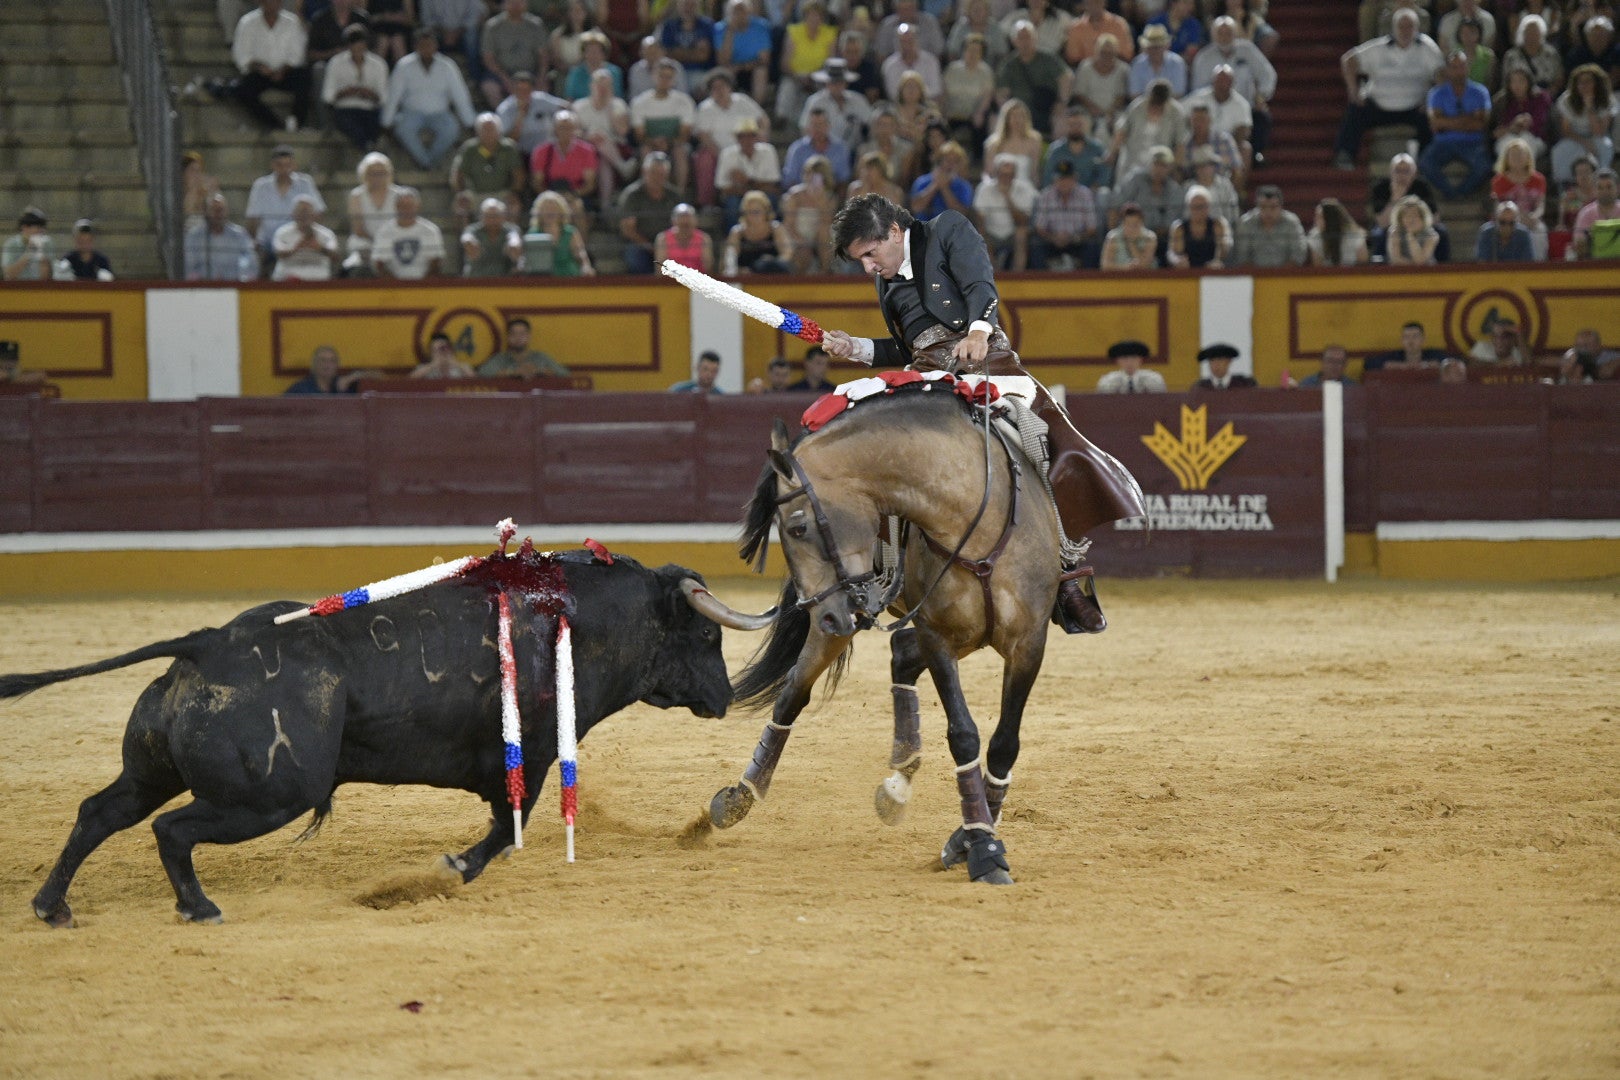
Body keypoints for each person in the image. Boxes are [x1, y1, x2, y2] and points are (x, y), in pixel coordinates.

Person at [822, 193, 1147, 634]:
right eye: (860, 259)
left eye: (870, 254)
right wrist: (856, 347)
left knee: (1048, 438)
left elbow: (980, 286)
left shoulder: (947, 229)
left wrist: (978, 330)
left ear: (894, 232)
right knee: (877, 454)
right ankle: (877, 579)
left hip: (987, 363)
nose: (867, 267)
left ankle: (1067, 575)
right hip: (925, 379)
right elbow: (906, 345)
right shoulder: (886, 276)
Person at [1332, 9, 1443, 169]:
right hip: (1379, 106)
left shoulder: (1427, 47)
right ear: (1394, 28)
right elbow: (1348, 60)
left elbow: (1441, 74)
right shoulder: (1379, 47)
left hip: (1414, 107)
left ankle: (1426, 161)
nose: (1405, 31)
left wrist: (1431, 99)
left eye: (1410, 26)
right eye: (1401, 26)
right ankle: (1345, 155)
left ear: (1417, 28)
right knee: (1355, 109)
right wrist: (1353, 90)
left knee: (1430, 116)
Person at [383, 30, 478, 170]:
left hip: (440, 113)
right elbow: (394, 95)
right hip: (411, 113)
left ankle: (429, 161)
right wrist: (386, 121)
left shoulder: (447, 66)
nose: (426, 48)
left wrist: (470, 122)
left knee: (452, 129)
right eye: (423, 45)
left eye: (430, 45)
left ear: (436, 46)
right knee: (403, 129)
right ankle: (425, 162)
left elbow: (460, 95)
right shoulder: (404, 65)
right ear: (416, 46)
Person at [225, 0, 313, 131]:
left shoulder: (292, 22)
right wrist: (259, 67)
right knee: (243, 90)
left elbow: (298, 54)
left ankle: (296, 122)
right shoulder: (247, 22)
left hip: (287, 72)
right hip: (260, 73)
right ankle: (274, 125)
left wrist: (283, 69)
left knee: (305, 79)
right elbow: (241, 54)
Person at [1418, 51, 1493, 200]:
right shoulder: (1436, 93)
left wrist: (1448, 122)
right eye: (1454, 67)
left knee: (1484, 165)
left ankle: (1461, 193)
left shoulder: (1480, 92)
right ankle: (1452, 194)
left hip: (1473, 142)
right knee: (1425, 163)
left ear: (1468, 68)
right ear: (1447, 70)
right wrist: (1468, 119)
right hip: (1443, 143)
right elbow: (1435, 123)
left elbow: (1480, 125)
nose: (1458, 71)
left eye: (1462, 66)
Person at [245, 145, 325, 270]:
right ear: (272, 165)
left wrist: (308, 237)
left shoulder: (305, 183)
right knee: (254, 255)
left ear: (294, 165)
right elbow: (253, 219)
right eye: (279, 165)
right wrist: (253, 241)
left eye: (288, 165)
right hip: (267, 242)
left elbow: (318, 213)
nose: (284, 169)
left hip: (297, 238)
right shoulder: (261, 186)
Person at [995, 20, 1071, 141]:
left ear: (1035, 39)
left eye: (1028, 37)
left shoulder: (1048, 58)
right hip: (1020, 111)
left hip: (1048, 108)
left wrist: (1062, 102)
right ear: (1014, 41)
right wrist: (1009, 112)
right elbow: (1002, 94)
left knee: (1062, 121)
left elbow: (1065, 78)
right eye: (1021, 38)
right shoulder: (1008, 65)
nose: (1025, 42)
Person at [323, 25, 390, 152]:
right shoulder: (336, 63)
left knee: (375, 124)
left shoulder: (379, 64)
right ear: (348, 46)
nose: (358, 49)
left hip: (369, 109)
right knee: (350, 125)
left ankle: (369, 149)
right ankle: (368, 149)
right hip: (345, 109)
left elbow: (384, 97)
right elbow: (328, 95)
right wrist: (345, 93)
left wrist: (370, 94)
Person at [452, 113, 528, 224]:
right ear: (477, 132)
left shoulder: (508, 148)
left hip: (502, 193)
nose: (488, 133)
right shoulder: (470, 149)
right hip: (475, 194)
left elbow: (518, 175)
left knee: (514, 205)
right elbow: (458, 174)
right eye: (485, 130)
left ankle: (512, 234)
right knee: (460, 207)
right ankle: (465, 237)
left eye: (492, 129)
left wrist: (514, 192)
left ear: (499, 131)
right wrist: (461, 193)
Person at [1029, 160, 1100, 271]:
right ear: (1054, 180)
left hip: (1078, 240)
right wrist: (1054, 238)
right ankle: (1041, 284)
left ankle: (1087, 284)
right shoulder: (1046, 195)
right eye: (1061, 179)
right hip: (1052, 240)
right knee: (1036, 246)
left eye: (1068, 179)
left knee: (1092, 247)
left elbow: (1092, 227)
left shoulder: (1085, 194)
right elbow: (1040, 227)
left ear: (1074, 179)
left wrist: (1073, 237)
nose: (1064, 182)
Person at [618, 150, 681, 274]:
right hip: (640, 244)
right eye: (653, 173)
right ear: (644, 172)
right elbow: (628, 230)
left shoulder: (674, 196)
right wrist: (651, 247)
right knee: (635, 259)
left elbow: (679, 225)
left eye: (662, 174)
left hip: (668, 244)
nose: (658, 178)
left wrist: (664, 245)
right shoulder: (632, 195)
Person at [1550, 64, 1615, 184]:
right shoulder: (1567, 100)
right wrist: (1585, 143)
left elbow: (1599, 132)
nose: (1584, 86)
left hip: (1597, 137)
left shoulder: (1607, 100)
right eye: (1580, 82)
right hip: (1574, 137)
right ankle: (1565, 185)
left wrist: (1590, 106)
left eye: (1588, 82)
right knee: (1560, 150)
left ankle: (1600, 182)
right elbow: (1566, 130)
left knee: (1605, 146)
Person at [481, 0, 550, 109]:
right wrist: (505, 78)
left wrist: (541, 76)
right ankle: (503, 117)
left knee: (543, 89)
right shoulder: (493, 26)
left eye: (519, 2)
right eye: (512, 2)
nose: (516, 6)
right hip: (501, 72)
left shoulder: (535, 24)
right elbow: (488, 58)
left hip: (530, 72)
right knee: (490, 87)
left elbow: (543, 55)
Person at [973, 152, 1037, 270]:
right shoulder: (984, 189)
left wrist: (1007, 197)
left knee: (1022, 233)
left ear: (1015, 174)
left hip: (1013, 233)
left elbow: (1023, 221)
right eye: (1003, 174)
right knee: (980, 236)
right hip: (991, 232)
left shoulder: (1025, 189)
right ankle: (995, 276)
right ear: (996, 173)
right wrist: (983, 235)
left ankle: (1017, 276)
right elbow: (980, 220)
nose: (1006, 178)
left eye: (1010, 175)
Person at [370, 188, 445, 279]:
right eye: (402, 206)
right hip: (392, 287)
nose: (406, 210)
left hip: (424, 286)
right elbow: (379, 264)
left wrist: (422, 284)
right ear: (396, 207)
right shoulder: (384, 232)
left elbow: (436, 262)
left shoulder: (430, 230)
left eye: (410, 206)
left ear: (418, 206)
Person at [185, 194, 259, 281]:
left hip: (234, 285)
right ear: (205, 212)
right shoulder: (194, 237)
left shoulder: (240, 235)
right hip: (201, 287)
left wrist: (242, 278)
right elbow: (188, 266)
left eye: (221, 210)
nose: (218, 214)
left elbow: (250, 262)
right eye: (214, 210)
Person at [1231, 184, 1306, 268]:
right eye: (1263, 207)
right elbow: (1242, 257)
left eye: (1273, 207)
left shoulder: (1292, 222)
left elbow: (1298, 254)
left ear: (1281, 206)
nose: (1268, 212)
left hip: (1286, 276)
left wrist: (1278, 276)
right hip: (1254, 277)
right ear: (1257, 206)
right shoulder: (1245, 223)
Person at [714, 0, 773, 104]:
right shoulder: (720, 28)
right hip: (732, 69)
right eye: (735, 12)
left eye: (742, 11)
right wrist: (731, 31)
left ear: (749, 12)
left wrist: (743, 66)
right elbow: (723, 61)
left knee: (761, 71)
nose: (739, 15)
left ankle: (757, 107)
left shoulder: (761, 26)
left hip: (752, 67)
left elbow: (764, 59)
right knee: (726, 71)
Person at [498, 71, 568, 158]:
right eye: (519, 90)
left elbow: (566, 107)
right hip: (521, 154)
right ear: (513, 90)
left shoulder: (541, 99)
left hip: (547, 150)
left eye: (526, 90)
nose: (523, 94)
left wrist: (558, 127)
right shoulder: (505, 109)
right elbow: (509, 140)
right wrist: (521, 114)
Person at [526, 189, 596, 276]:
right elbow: (527, 259)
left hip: (569, 280)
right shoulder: (533, 233)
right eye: (546, 209)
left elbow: (580, 254)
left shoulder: (570, 232)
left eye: (553, 208)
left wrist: (586, 267)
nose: (550, 212)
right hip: (542, 283)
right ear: (538, 212)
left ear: (561, 211)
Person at [1072, 32, 1130, 135]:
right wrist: (1096, 111)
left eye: (1110, 53)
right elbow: (1080, 94)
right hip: (1089, 110)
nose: (1106, 56)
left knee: (1121, 125)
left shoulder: (1123, 69)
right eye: (1103, 53)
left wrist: (1109, 113)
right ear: (1096, 51)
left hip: (1114, 112)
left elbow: (1121, 96)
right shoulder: (1085, 68)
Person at [270, 195, 339, 281]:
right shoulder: (282, 232)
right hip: (288, 273)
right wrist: (296, 248)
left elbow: (335, 255)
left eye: (307, 212)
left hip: (317, 273)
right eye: (300, 212)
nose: (303, 216)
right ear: (293, 214)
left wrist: (319, 248)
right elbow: (279, 253)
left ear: (314, 215)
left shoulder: (326, 234)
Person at [479, 317, 570, 377]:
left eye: (522, 334)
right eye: (513, 334)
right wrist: (514, 373)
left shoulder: (540, 357)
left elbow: (564, 374)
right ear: (508, 337)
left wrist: (538, 371)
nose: (518, 338)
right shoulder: (500, 358)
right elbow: (483, 373)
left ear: (529, 336)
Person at [1167, 183, 1230, 268]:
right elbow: (1172, 253)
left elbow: (1223, 249)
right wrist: (1177, 260)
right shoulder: (1179, 227)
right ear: (1188, 207)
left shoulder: (1218, 225)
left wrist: (1217, 261)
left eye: (1202, 206)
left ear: (1209, 207)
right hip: (1187, 273)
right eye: (1195, 207)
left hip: (1211, 272)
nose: (1198, 211)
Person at [461, 198, 525, 276]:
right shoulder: (472, 229)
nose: (492, 220)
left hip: (505, 280)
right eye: (488, 216)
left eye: (496, 216)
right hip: (476, 280)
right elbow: (467, 238)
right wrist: (469, 243)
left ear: (503, 216)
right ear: (481, 216)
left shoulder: (511, 229)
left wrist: (514, 245)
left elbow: (514, 238)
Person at [283, 345, 378, 394]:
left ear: (337, 365)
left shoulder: (347, 384)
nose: (327, 365)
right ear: (314, 364)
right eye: (322, 360)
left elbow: (380, 377)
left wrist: (353, 376)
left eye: (332, 361)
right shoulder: (300, 389)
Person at [1363, 320, 1451, 371]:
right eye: (1406, 337)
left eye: (1415, 336)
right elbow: (1369, 363)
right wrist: (1398, 366)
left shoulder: (1433, 354)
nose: (1410, 341)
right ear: (1401, 341)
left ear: (1423, 339)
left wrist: (1430, 365)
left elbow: (1457, 361)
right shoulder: (1395, 355)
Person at [1306, 197, 1369, 267]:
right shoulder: (1315, 237)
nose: (1315, 220)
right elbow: (1317, 267)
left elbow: (1363, 264)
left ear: (1331, 219)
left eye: (1320, 217)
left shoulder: (1356, 236)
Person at [1130, 23, 1188, 99]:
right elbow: (1134, 94)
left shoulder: (1177, 63)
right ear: (1145, 48)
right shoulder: (1137, 64)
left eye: (1158, 47)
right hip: (1144, 107)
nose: (1155, 50)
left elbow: (1178, 93)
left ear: (1166, 46)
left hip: (1171, 106)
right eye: (1151, 47)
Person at [1572, 168, 1619, 259]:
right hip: (1594, 266)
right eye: (1600, 188)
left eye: (1609, 187)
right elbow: (1578, 245)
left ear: (1617, 188)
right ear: (1594, 190)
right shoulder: (1585, 213)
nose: (1605, 191)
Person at [654, 202, 714, 273]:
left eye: (688, 218)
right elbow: (660, 268)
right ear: (673, 221)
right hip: (670, 281)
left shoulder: (704, 238)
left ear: (696, 221)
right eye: (681, 218)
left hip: (696, 280)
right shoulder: (663, 238)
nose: (685, 221)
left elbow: (708, 268)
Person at [1385, 193, 1440, 265]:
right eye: (1406, 215)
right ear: (1400, 218)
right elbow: (1396, 259)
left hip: (1426, 274)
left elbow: (1421, 261)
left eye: (1414, 215)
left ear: (1423, 218)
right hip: (1401, 273)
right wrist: (1412, 267)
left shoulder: (1432, 236)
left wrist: (1410, 237)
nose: (1410, 219)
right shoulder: (1394, 232)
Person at [1095, 339, 1167, 393]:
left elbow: (1161, 400)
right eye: (1124, 359)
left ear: (1141, 359)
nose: (1129, 362)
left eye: (1134, 358)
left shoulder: (1154, 378)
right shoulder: (1107, 380)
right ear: (1117, 361)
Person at [1100, 202, 1158, 270]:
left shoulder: (1150, 237)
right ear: (1122, 223)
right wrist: (1125, 268)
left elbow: (1144, 265)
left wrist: (1131, 243)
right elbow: (1105, 265)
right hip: (1119, 278)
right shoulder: (1113, 237)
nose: (1131, 228)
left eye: (1135, 224)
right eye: (1128, 224)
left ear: (1142, 222)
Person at [3, 207, 54, 282]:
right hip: (16, 289)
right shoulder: (11, 244)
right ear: (24, 228)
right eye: (38, 228)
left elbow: (47, 278)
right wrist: (28, 254)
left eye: (42, 228)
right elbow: (9, 276)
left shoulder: (47, 243)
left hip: (40, 289)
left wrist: (43, 259)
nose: (41, 232)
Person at [1191, 343, 1256, 389]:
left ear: (1229, 361)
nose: (1216, 365)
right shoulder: (1200, 387)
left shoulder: (1245, 384)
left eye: (1220, 360)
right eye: (1212, 361)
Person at [412, 333, 477, 379]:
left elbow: (476, 380)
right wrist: (433, 365)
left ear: (451, 350)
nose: (442, 353)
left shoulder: (463, 367)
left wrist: (455, 363)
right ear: (431, 352)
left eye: (444, 349)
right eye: (438, 350)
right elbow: (411, 380)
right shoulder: (423, 368)